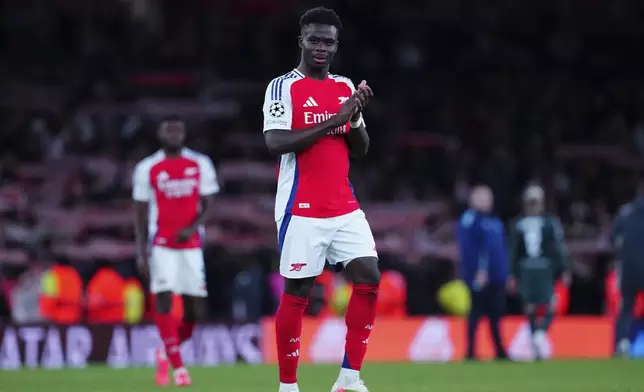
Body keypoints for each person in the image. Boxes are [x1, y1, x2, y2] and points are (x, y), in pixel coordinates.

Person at [262, 7, 379, 392]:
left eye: (328, 41)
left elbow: (360, 150)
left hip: (344, 206)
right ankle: (288, 386)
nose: (321, 47)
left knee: (369, 278)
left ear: (336, 45)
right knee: (298, 291)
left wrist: (356, 117)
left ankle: (348, 378)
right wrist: (335, 119)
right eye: (314, 39)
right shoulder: (283, 87)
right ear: (301, 41)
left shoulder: (344, 87)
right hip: (302, 208)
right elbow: (275, 143)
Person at [132, 116, 219, 386]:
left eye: (178, 129)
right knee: (164, 300)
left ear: (184, 133)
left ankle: (166, 351)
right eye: (168, 129)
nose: (173, 133)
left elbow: (210, 205)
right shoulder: (147, 168)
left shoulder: (200, 163)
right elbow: (140, 214)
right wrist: (141, 252)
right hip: (161, 244)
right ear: (159, 133)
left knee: (195, 312)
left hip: (191, 245)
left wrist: (192, 228)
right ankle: (179, 368)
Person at [507, 184, 571, 360]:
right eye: (530, 201)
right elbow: (513, 251)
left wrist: (564, 268)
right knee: (529, 305)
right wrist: (512, 274)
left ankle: (540, 332)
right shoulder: (518, 225)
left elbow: (558, 248)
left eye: (536, 201)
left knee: (551, 303)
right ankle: (536, 336)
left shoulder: (550, 223)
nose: (533, 205)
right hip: (526, 267)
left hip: (545, 267)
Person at [457, 185, 509, 361]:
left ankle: (499, 351)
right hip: (480, 276)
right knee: (476, 313)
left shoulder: (493, 222)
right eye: (482, 197)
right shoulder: (470, 220)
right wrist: (478, 271)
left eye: (488, 198)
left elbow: (499, 251)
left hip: (496, 277)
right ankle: (470, 352)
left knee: (495, 314)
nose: (486, 201)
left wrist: (505, 273)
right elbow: (470, 251)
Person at [611, 178, 644, 359]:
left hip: (629, 269)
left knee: (627, 308)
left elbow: (613, 239)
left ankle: (622, 344)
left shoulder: (626, 212)